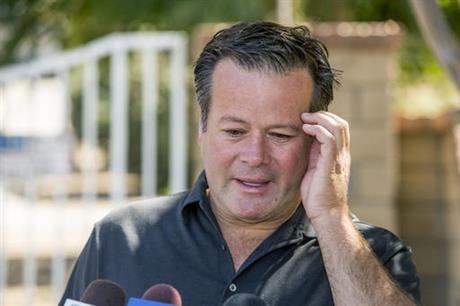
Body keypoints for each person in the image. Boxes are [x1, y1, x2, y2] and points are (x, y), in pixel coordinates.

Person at [60, 21, 421, 306]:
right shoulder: (120, 237)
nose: (254, 156)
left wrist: (330, 216)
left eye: (280, 135)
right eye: (234, 131)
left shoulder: (379, 257)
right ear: (202, 129)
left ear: (317, 139)